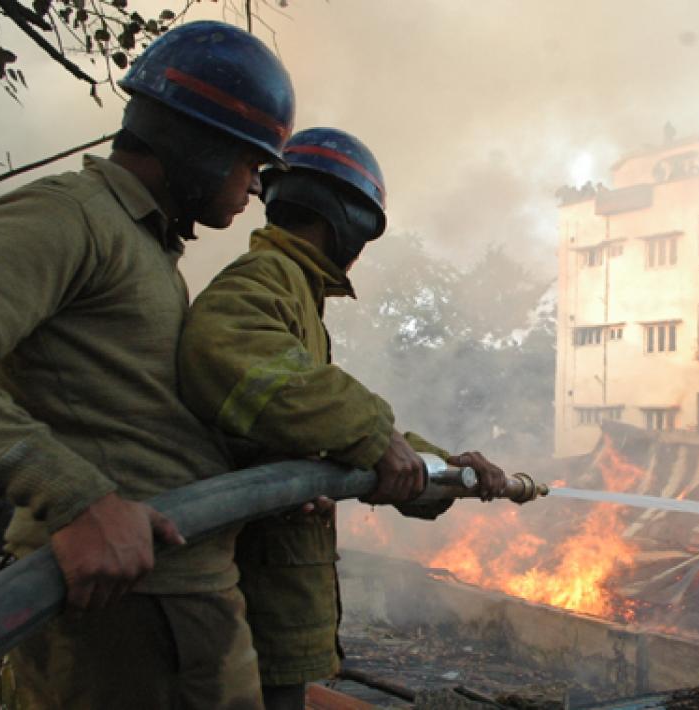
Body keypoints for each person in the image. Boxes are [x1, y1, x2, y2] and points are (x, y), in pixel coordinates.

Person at [0, 20, 295, 709]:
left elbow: (136, 412)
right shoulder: (68, 218)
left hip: (174, 595)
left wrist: (265, 470)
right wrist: (75, 496)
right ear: (196, 147)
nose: (255, 189)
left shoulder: (144, 247)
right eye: (249, 164)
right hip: (126, 607)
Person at [177, 127, 507, 710]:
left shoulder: (296, 289)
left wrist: (444, 467)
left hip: (272, 603)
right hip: (254, 599)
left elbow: (315, 427)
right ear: (345, 217)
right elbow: (237, 362)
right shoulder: (266, 279)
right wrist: (374, 435)